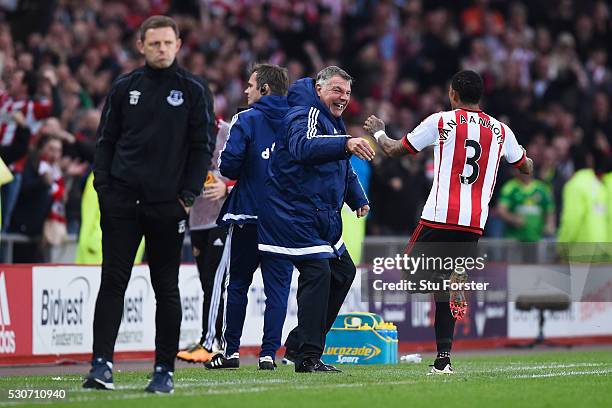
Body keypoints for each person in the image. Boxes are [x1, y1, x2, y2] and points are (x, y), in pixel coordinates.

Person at [364, 70, 533, 374]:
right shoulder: (500, 130)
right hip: (473, 222)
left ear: (453, 93)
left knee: (410, 273)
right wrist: (525, 157)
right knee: (446, 288)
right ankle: (444, 358)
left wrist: (378, 131)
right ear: (479, 96)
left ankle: (446, 285)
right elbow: (525, 167)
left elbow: (392, 149)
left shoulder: (442, 121)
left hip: (439, 216)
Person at [83, 15, 215, 394]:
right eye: (154, 44)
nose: (161, 49)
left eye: (167, 43)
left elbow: (201, 147)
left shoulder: (192, 89)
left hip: (167, 206)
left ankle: (163, 371)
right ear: (141, 45)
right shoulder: (125, 87)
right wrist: (103, 188)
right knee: (112, 283)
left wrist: (187, 197)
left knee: (166, 289)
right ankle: (101, 365)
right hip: (122, 202)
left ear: (178, 45)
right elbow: (105, 140)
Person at [258, 66, 373, 373]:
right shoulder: (304, 112)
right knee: (319, 272)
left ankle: (299, 345)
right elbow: (303, 147)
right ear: (319, 89)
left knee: (343, 272)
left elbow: (340, 166)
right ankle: (308, 356)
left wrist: (356, 196)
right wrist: (345, 143)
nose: (343, 98)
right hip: (294, 213)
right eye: (337, 90)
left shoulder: (332, 121)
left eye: (347, 93)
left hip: (320, 215)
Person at [204, 64, 294, 371]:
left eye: (251, 85)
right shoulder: (300, 119)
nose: (246, 91)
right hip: (284, 220)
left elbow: (227, 166)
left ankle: (230, 352)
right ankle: (269, 354)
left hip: (247, 214)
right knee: (278, 289)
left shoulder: (245, 119)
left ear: (264, 89)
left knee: (238, 283)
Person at [176, 118, 233, 364]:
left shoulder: (229, 132)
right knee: (207, 282)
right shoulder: (185, 131)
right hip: (197, 219)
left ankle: (210, 341)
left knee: (215, 283)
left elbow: (254, 169)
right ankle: (215, 340)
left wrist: (227, 188)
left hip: (222, 218)